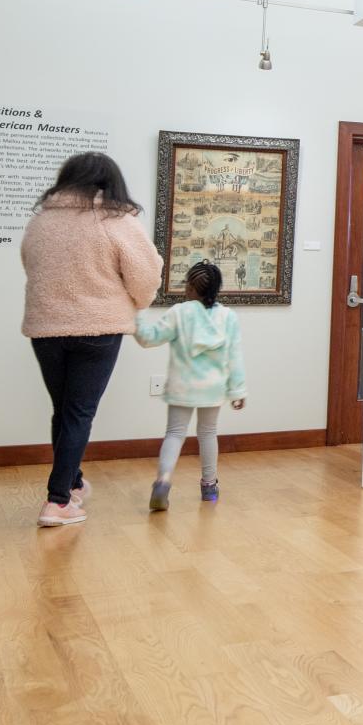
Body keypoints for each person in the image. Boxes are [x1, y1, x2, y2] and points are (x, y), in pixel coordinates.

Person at [20, 151, 162, 527]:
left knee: (64, 410)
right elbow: (146, 275)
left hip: (46, 329)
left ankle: (75, 483)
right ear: (110, 182)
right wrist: (137, 302)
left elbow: (30, 266)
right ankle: (58, 501)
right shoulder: (116, 219)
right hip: (98, 327)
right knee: (79, 412)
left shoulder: (42, 222)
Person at [137, 260, 246, 510]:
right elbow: (235, 356)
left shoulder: (178, 313)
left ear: (190, 288)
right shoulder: (227, 317)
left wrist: (135, 315)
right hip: (213, 388)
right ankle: (209, 487)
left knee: (175, 434)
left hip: (181, 387)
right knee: (207, 433)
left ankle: (163, 482)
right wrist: (237, 390)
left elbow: (149, 338)